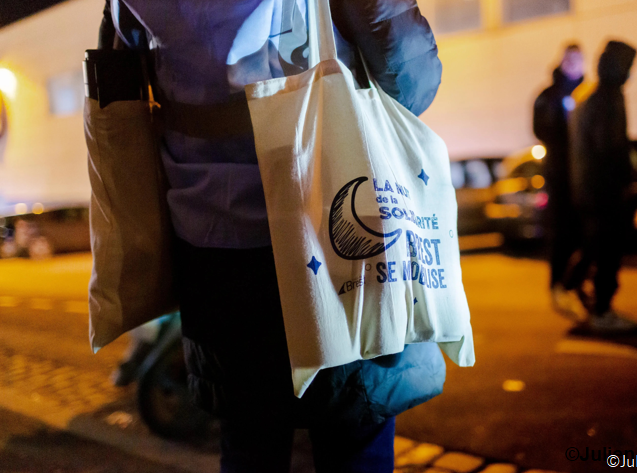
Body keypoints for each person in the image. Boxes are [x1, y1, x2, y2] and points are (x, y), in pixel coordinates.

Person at [98, 1, 445, 472]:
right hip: (331, 221)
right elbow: (413, 80)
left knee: (248, 438)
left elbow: (117, 98)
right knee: (354, 433)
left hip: (212, 244)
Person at [566, 40, 637, 332]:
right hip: (602, 189)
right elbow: (608, 147)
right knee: (607, 251)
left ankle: (577, 288)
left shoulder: (594, 96)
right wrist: (625, 176)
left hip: (592, 188)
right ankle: (601, 310)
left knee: (598, 246)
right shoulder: (606, 98)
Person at [532, 44, 586, 320]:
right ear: (562, 61)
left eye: (580, 59)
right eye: (571, 59)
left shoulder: (589, 92)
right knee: (562, 234)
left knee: (587, 235)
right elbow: (540, 129)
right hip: (561, 176)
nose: (576, 64)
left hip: (585, 175)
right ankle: (558, 284)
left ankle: (576, 284)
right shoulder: (549, 95)